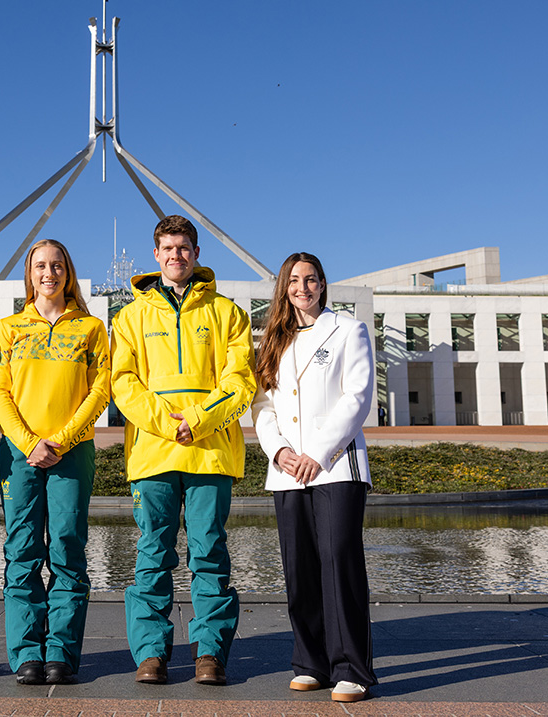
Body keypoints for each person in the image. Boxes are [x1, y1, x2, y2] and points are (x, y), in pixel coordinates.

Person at [110, 215, 254, 686]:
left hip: (210, 452)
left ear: (196, 253)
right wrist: (171, 427)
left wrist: (199, 420)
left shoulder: (228, 313)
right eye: (168, 248)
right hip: (153, 454)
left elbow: (240, 381)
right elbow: (123, 384)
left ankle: (209, 652)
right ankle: (151, 653)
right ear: (156, 254)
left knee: (209, 553)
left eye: (184, 247)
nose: (176, 255)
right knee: (153, 554)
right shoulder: (129, 318)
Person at [251, 252, 378, 702]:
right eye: (293, 280)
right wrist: (280, 451)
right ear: (283, 288)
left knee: (339, 560)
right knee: (299, 568)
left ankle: (352, 669)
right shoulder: (273, 339)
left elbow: (357, 396)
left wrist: (318, 454)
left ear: (323, 284)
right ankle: (310, 663)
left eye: (310, 280)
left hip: (336, 466)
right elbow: (263, 405)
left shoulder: (348, 330)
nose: (301, 288)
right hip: (288, 471)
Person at [0, 239, 111, 685]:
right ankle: (26, 652)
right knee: (21, 551)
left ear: (68, 272)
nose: (49, 273)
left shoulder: (92, 329)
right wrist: (28, 442)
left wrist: (61, 439)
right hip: (19, 455)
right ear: (29, 273)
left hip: (71, 454)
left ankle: (60, 651)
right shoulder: (9, 329)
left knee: (67, 550)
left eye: (57, 265)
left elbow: (100, 390)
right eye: (40, 265)